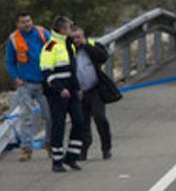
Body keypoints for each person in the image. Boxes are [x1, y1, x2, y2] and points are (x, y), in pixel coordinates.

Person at [39, 16, 88, 172]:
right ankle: (57, 161)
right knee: (58, 126)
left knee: (80, 122)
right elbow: (46, 72)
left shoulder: (69, 45)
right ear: (61, 30)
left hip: (72, 91)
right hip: (56, 93)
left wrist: (77, 88)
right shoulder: (50, 47)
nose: (72, 29)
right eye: (69, 27)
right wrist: (60, 89)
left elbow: (73, 71)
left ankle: (71, 157)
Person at [69, 25, 121, 160]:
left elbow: (103, 57)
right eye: (73, 38)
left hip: (94, 90)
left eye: (78, 37)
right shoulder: (67, 50)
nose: (76, 41)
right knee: (82, 123)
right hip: (78, 92)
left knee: (100, 118)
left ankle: (106, 147)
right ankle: (83, 150)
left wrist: (86, 45)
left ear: (83, 36)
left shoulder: (92, 45)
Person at [5, 12, 51, 162]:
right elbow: (9, 61)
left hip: (44, 82)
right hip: (26, 84)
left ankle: (50, 145)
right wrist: (16, 78)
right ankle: (26, 149)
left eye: (29, 20)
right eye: (23, 22)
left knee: (49, 116)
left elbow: (53, 51)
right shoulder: (13, 39)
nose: (27, 24)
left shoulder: (43, 33)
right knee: (26, 118)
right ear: (17, 24)